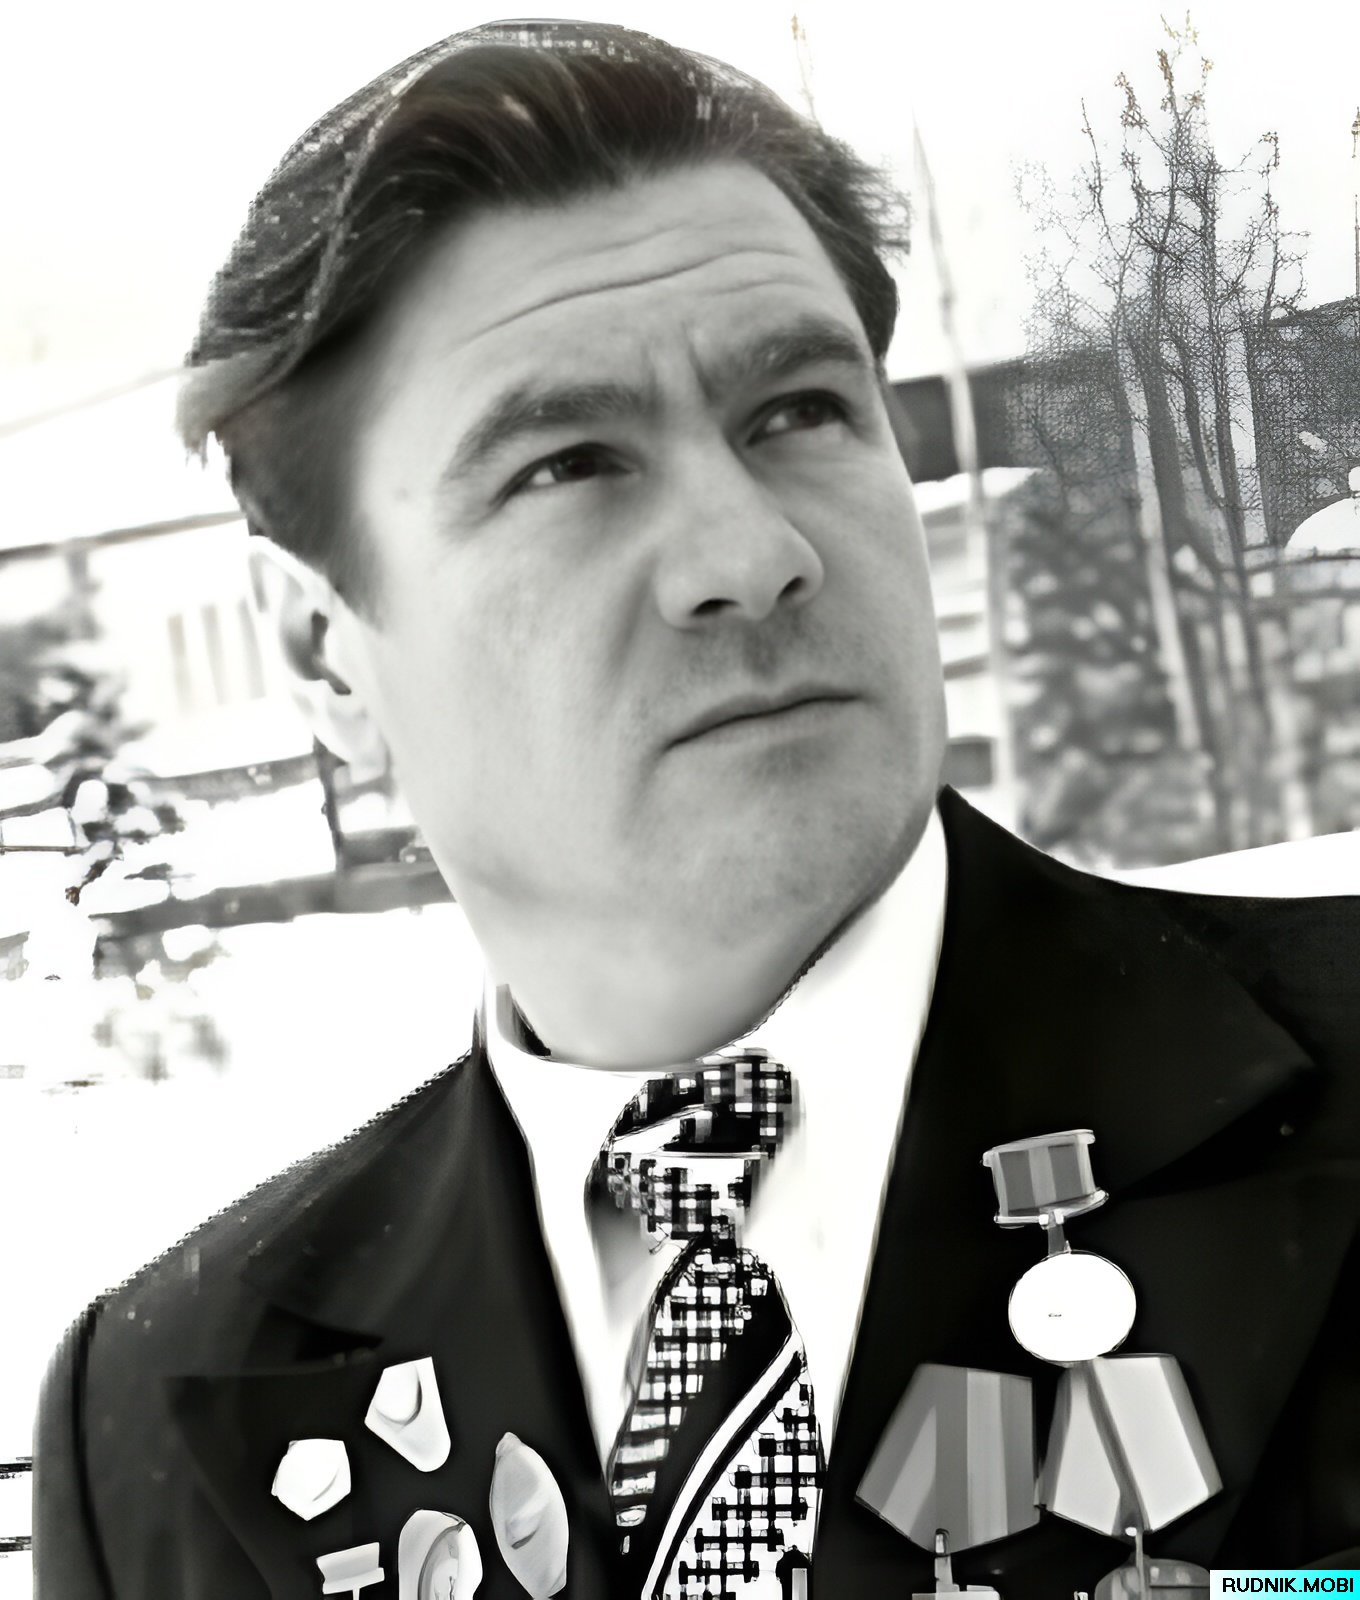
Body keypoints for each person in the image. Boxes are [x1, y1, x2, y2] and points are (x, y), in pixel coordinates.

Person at [33, 20, 1360, 1598]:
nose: (752, 554)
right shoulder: (167, 1411)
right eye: (568, 464)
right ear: (327, 654)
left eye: (799, 412)